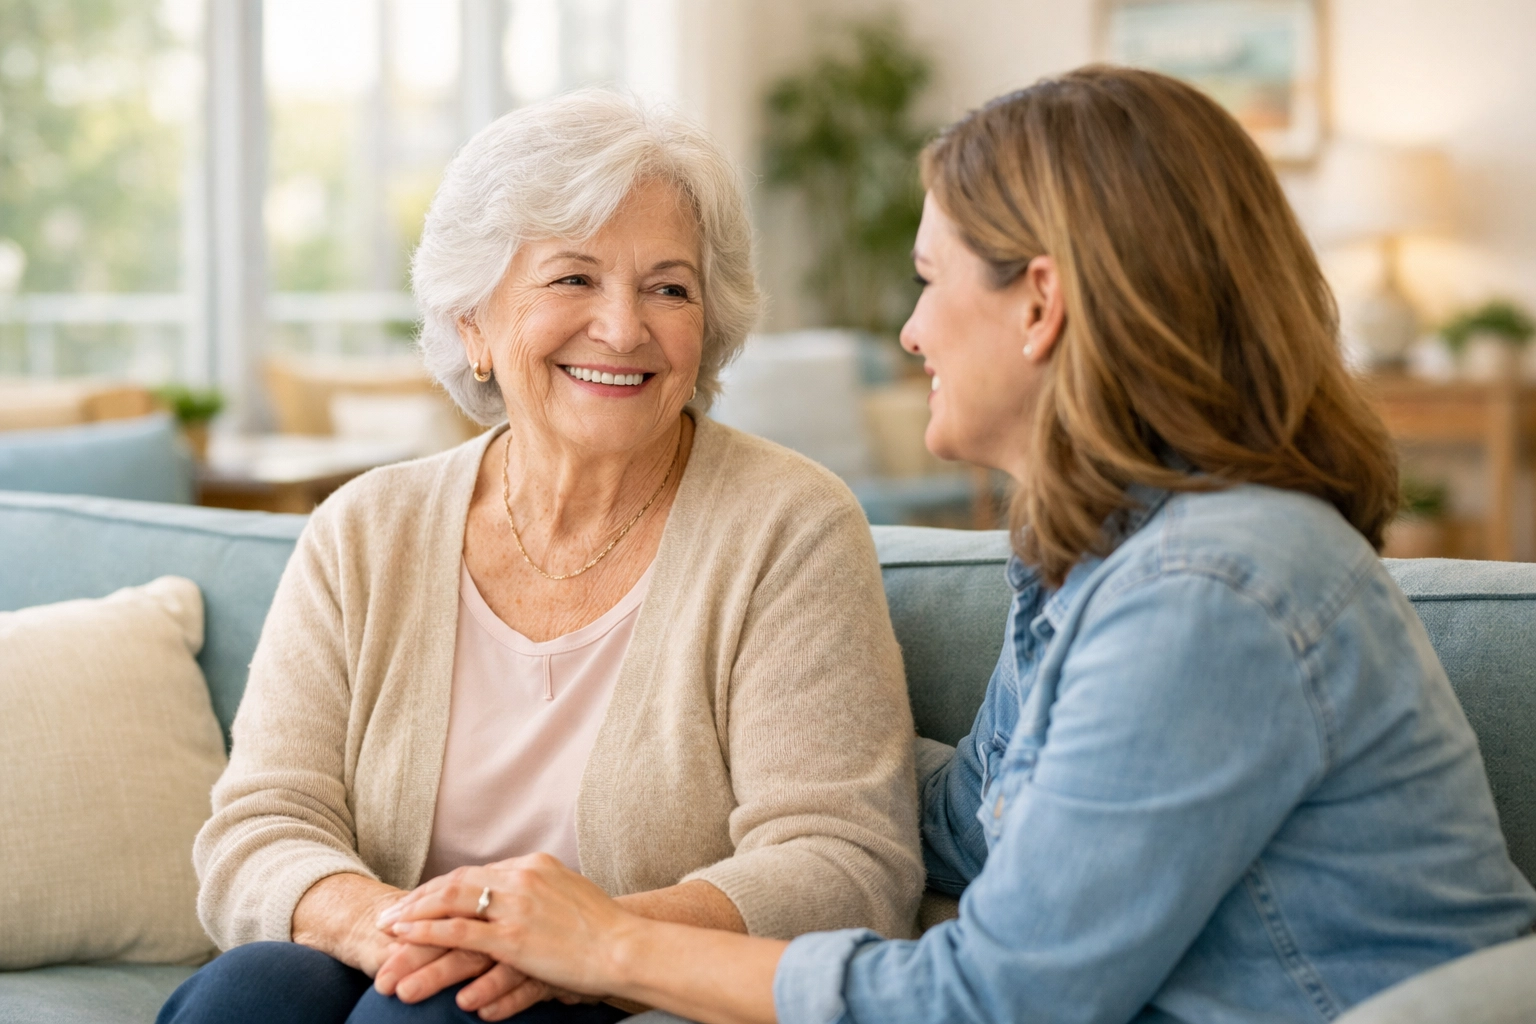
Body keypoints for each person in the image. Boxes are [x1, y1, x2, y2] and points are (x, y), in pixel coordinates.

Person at [377, 66, 1536, 1024]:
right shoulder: (1098, 555)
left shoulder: (1213, 592)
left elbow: (990, 1004)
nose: (910, 330)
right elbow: (955, 820)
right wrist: (760, 732)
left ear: (1039, 304)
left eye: (930, 283)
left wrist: (614, 941)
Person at [158, 90, 923, 1024]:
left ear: (707, 327)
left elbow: (846, 862)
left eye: (669, 287)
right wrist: (397, 927)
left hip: (631, 992)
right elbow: (258, 829)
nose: (624, 326)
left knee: (432, 1014)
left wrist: (582, 944)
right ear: (473, 321)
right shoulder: (363, 529)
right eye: (573, 279)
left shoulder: (789, 527)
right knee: (252, 989)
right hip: (395, 960)